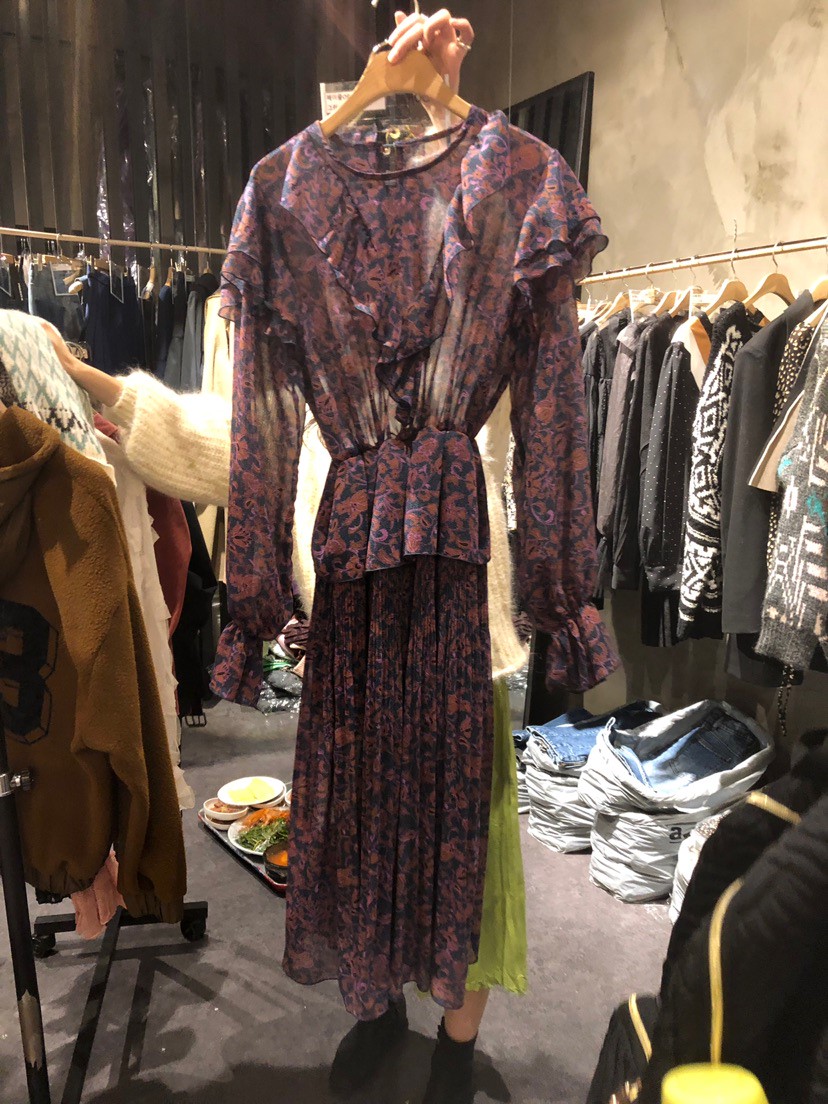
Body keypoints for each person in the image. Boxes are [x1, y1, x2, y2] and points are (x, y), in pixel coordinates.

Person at [44, 12, 527, 1102]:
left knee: (470, 849)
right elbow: (235, 443)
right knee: (358, 841)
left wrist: (449, 105)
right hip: (356, 636)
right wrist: (102, 388)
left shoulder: (476, 296)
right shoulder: (315, 374)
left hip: (460, 628)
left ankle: (457, 1047)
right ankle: (381, 1010)